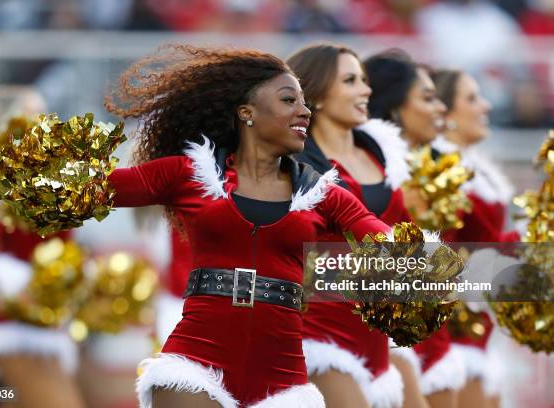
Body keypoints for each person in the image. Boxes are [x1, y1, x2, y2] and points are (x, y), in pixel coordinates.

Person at [95, 45, 391, 407]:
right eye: (288, 100)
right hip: (195, 364)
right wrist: (39, 171)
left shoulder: (324, 194)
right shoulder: (187, 173)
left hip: (283, 382)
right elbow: (91, 190)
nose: (304, 111)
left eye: (304, 103)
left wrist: (446, 271)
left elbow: (383, 238)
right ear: (246, 112)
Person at [287, 43, 409, 408]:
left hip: (377, 342)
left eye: (365, 80)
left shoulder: (379, 152)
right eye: (351, 80)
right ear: (318, 96)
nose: (366, 90)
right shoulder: (294, 166)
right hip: (322, 338)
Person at [0, 86, 84, 408]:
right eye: (34, 113)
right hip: (11, 322)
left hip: (44, 321)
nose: (46, 120)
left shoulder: (46, 180)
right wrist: (10, 280)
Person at [364, 50, 466, 408]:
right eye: (427, 98)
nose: (440, 108)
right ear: (393, 108)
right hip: (388, 336)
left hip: (432, 332)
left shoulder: (432, 172)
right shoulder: (373, 177)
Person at [431, 69, 519, 408]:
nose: (485, 106)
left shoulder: (474, 170)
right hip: (453, 332)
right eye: (471, 98)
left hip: (478, 331)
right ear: (446, 114)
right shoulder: (440, 173)